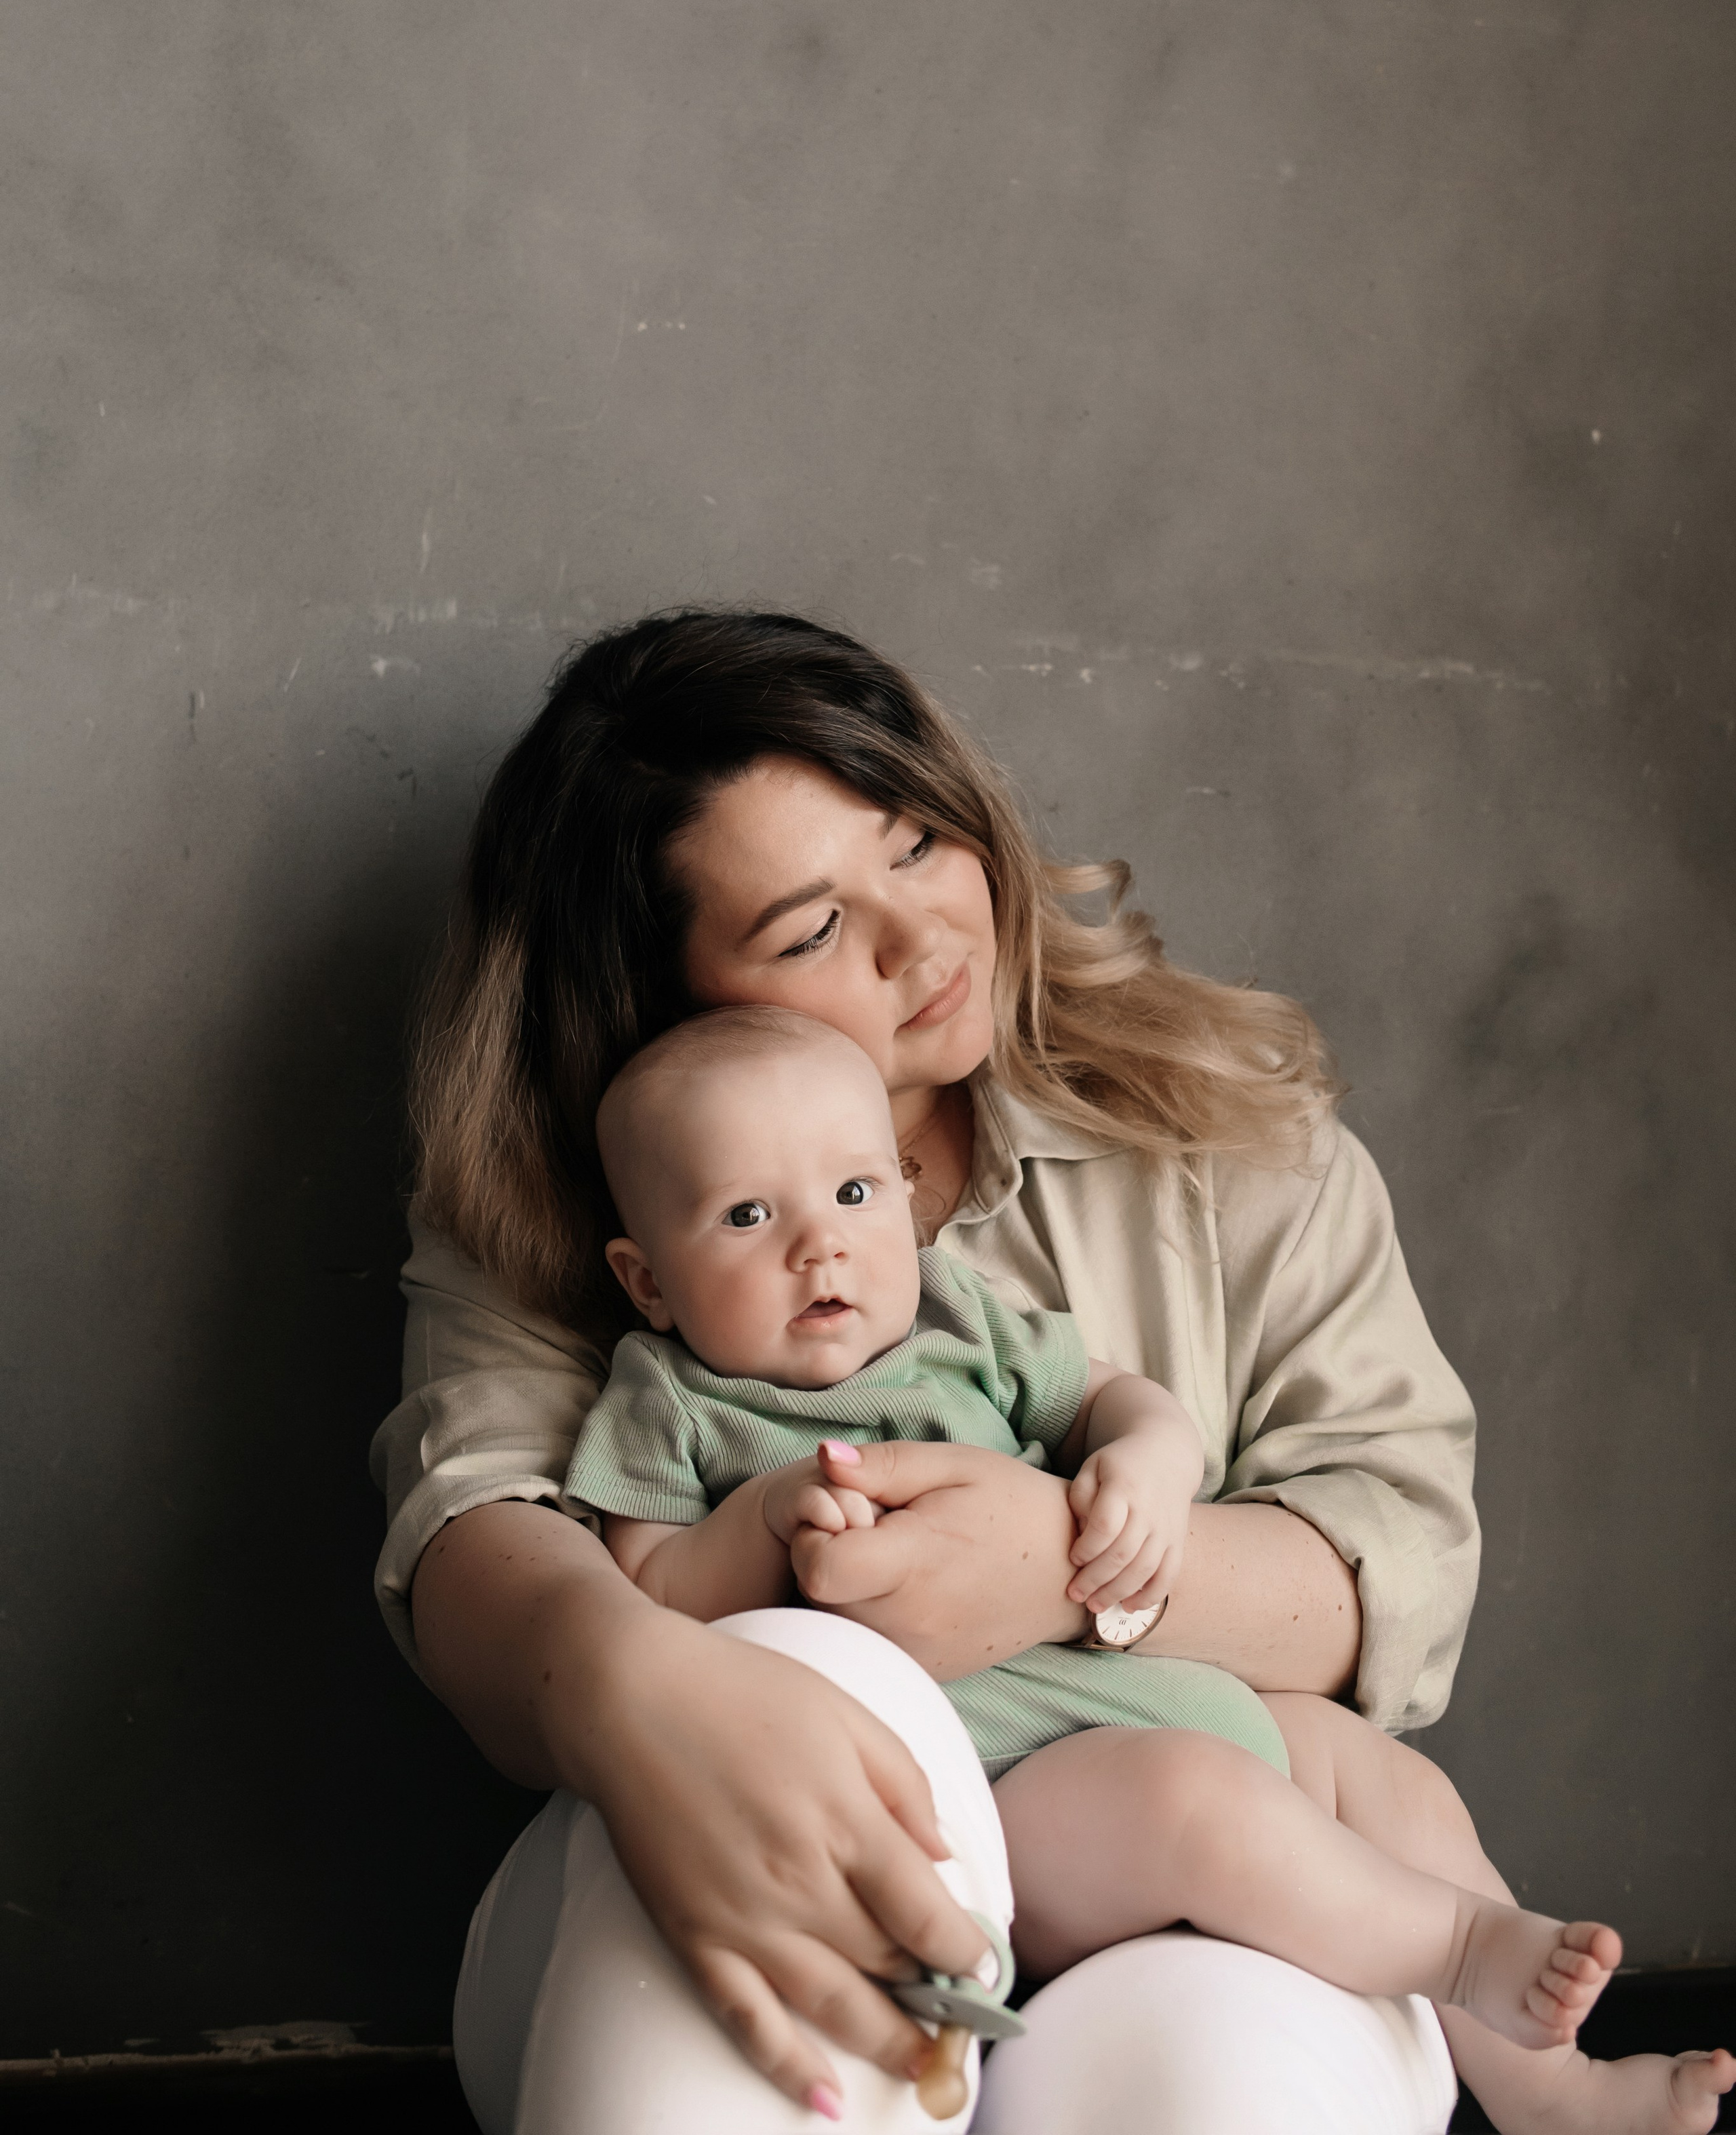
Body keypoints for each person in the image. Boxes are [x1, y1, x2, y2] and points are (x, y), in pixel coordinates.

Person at [371, 606, 1487, 2134]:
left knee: (1219, 2054)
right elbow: (476, 1528)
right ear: (668, 1002)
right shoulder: (589, 1217)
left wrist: (1067, 1567)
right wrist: (650, 1659)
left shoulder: (1231, 1132)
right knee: (808, 1662)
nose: (925, 939)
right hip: (748, 1862)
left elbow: (1397, 1546)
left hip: (1169, 1872)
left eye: (914, 844)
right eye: (810, 929)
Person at [566, 1002, 1735, 2135]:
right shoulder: (675, 1400)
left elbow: (1115, 1398)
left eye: (854, 1192)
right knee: (1192, 1804)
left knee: (1387, 1783)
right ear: (648, 1280)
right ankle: (1461, 1951)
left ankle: (1553, 2095)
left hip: (1165, 1687)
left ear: (906, 1201)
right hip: (1005, 1793)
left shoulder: (962, 1319)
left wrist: (1151, 1463)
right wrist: (766, 1518)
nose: (818, 1242)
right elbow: (653, 1598)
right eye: (745, 1216)